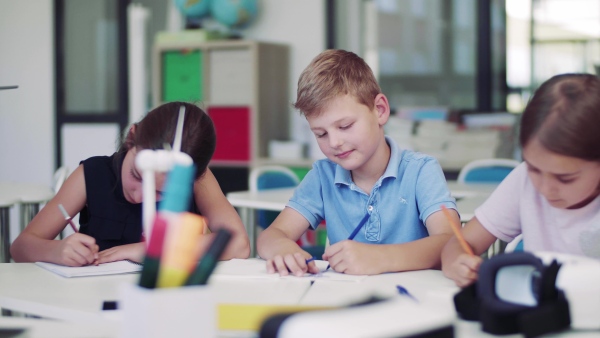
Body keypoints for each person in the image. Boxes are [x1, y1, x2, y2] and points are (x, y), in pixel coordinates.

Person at [256, 49, 459, 276]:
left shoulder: (421, 171)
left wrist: (381, 258)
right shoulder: (323, 176)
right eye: (321, 134)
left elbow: (450, 242)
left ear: (380, 111)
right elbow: (270, 236)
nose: (334, 142)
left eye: (345, 126)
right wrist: (282, 248)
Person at [11, 102, 250, 266]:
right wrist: (58, 251)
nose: (139, 196)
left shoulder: (196, 177)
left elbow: (238, 244)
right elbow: (21, 247)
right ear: (131, 137)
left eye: (159, 192)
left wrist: (146, 251)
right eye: (137, 175)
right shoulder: (92, 174)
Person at [441, 73, 600, 287]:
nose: (545, 188)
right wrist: (456, 262)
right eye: (534, 168)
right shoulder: (522, 180)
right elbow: (462, 242)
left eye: (565, 178)